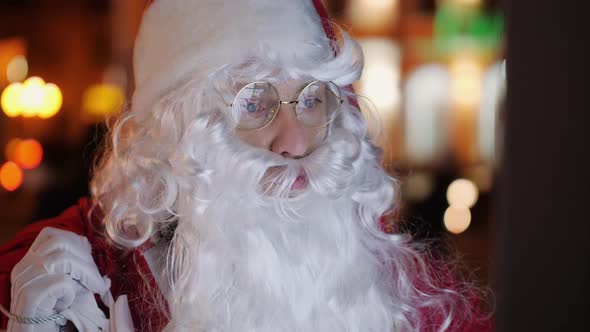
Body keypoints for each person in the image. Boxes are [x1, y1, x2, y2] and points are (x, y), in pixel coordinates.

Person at [0, 0, 492, 331]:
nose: (296, 143)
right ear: (175, 130)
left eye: (312, 99)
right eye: (253, 103)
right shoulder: (65, 279)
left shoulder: (417, 300)